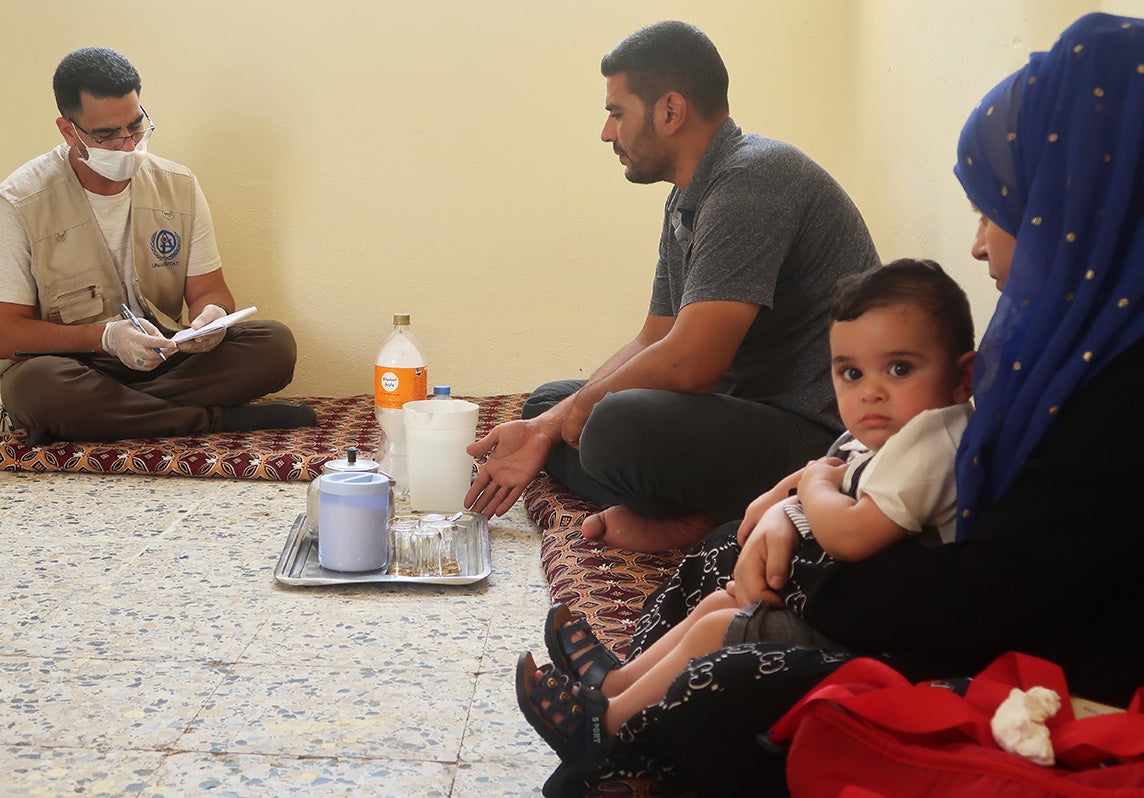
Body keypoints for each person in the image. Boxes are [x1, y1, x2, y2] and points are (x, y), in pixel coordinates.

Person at [532, 12, 1144, 796]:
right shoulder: (1059, 337)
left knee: (735, 636)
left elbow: (690, 361)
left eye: (1002, 209)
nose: (979, 244)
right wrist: (555, 418)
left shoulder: (1117, 400)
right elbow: (657, 335)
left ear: (1078, 207)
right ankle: (618, 684)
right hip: (849, 479)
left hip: (951, 601)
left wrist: (807, 549)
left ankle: (624, 735)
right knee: (707, 519)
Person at [515, 260, 976, 785]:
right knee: (716, 601)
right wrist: (793, 495)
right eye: (851, 373)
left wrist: (811, 485)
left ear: (963, 377)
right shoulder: (881, 437)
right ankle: (615, 684)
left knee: (718, 626)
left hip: (870, 638)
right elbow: (793, 499)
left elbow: (850, 533)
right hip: (823, 600)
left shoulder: (935, 438)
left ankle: (609, 728)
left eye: (898, 369)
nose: (870, 392)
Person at [464, 21, 879, 552]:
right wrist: (547, 425)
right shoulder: (689, 197)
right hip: (747, 417)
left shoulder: (753, 180)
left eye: (616, 113)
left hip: (821, 444)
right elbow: (652, 340)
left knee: (613, 425)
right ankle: (698, 512)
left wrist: (578, 415)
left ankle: (722, 514)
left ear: (670, 111)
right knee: (547, 406)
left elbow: (691, 364)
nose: (607, 132)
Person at [0, 47, 315, 444]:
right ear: (69, 130)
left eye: (136, 127)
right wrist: (105, 338)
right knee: (37, 387)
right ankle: (215, 420)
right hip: (71, 366)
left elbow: (209, 289)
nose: (127, 145)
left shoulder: (178, 185)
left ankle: (99, 416)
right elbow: (6, 335)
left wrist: (212, 317)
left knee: (274, 344)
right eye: (106, 135)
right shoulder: (19, 202)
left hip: (163, 359)